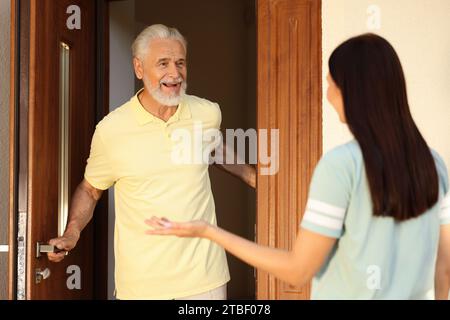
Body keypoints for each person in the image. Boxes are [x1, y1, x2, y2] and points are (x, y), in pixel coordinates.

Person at [147, 33, 450, 299]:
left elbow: (298, 271)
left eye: (331, 83)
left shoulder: (342, 166)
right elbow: (445, 266)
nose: (327, 93)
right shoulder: (434, 164)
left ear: (352, 91)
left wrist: (209, 232)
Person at [47, 24, 256, 300]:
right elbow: (90, 189)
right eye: (163, 63)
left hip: (205, 280)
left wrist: (257, 180)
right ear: (139, 68)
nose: (175, 73)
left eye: (180, 63)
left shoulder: (207, 113)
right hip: (141, 286)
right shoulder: (112, 130)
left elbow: (214, 148)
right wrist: (71, 232)